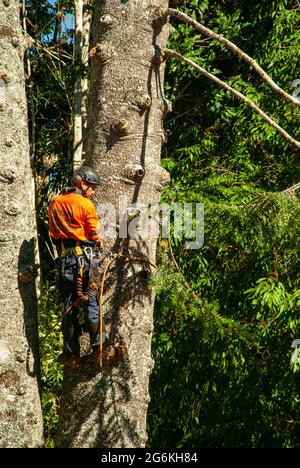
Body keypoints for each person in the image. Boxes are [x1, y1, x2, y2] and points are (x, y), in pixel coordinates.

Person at [48, 165, 106, 368]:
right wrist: (99, 242)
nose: (93, 191)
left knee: (68, 307)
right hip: (84, 261)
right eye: (91, 187)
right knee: (91, 302)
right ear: (82, 183)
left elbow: (53, 233)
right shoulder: (85, 204)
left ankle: (72, 354)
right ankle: (100, 347)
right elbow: (94, 233)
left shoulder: (54, 202)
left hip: (64, 262)